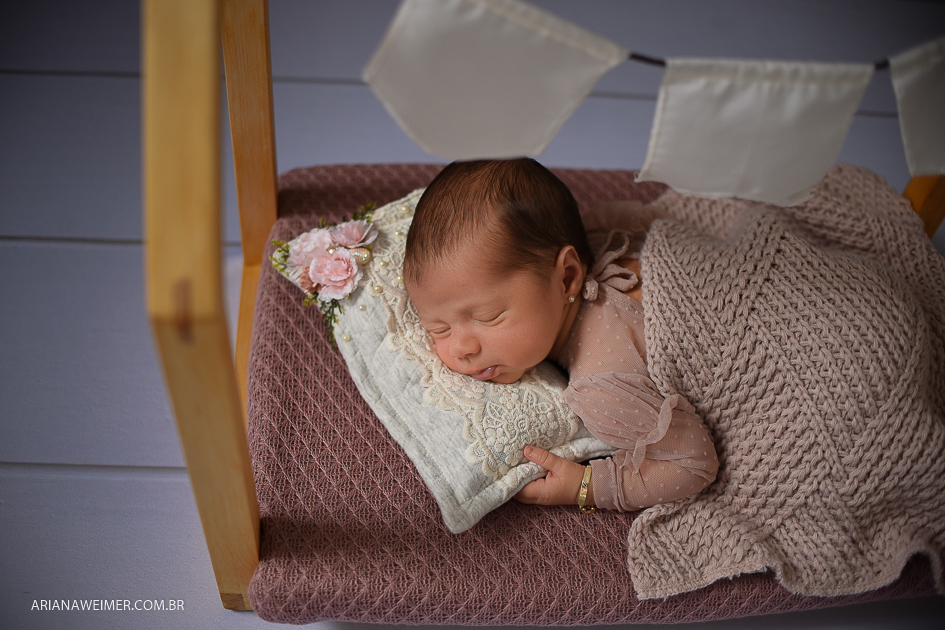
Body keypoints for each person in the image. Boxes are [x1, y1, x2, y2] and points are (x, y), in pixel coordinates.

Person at [403, 158, 718, 513]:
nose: (461, 347)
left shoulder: (602, 386)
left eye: (488, 316)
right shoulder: (602, 226)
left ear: (568, 276)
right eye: (439, 328)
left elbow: (694, 464)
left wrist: (587, 486)